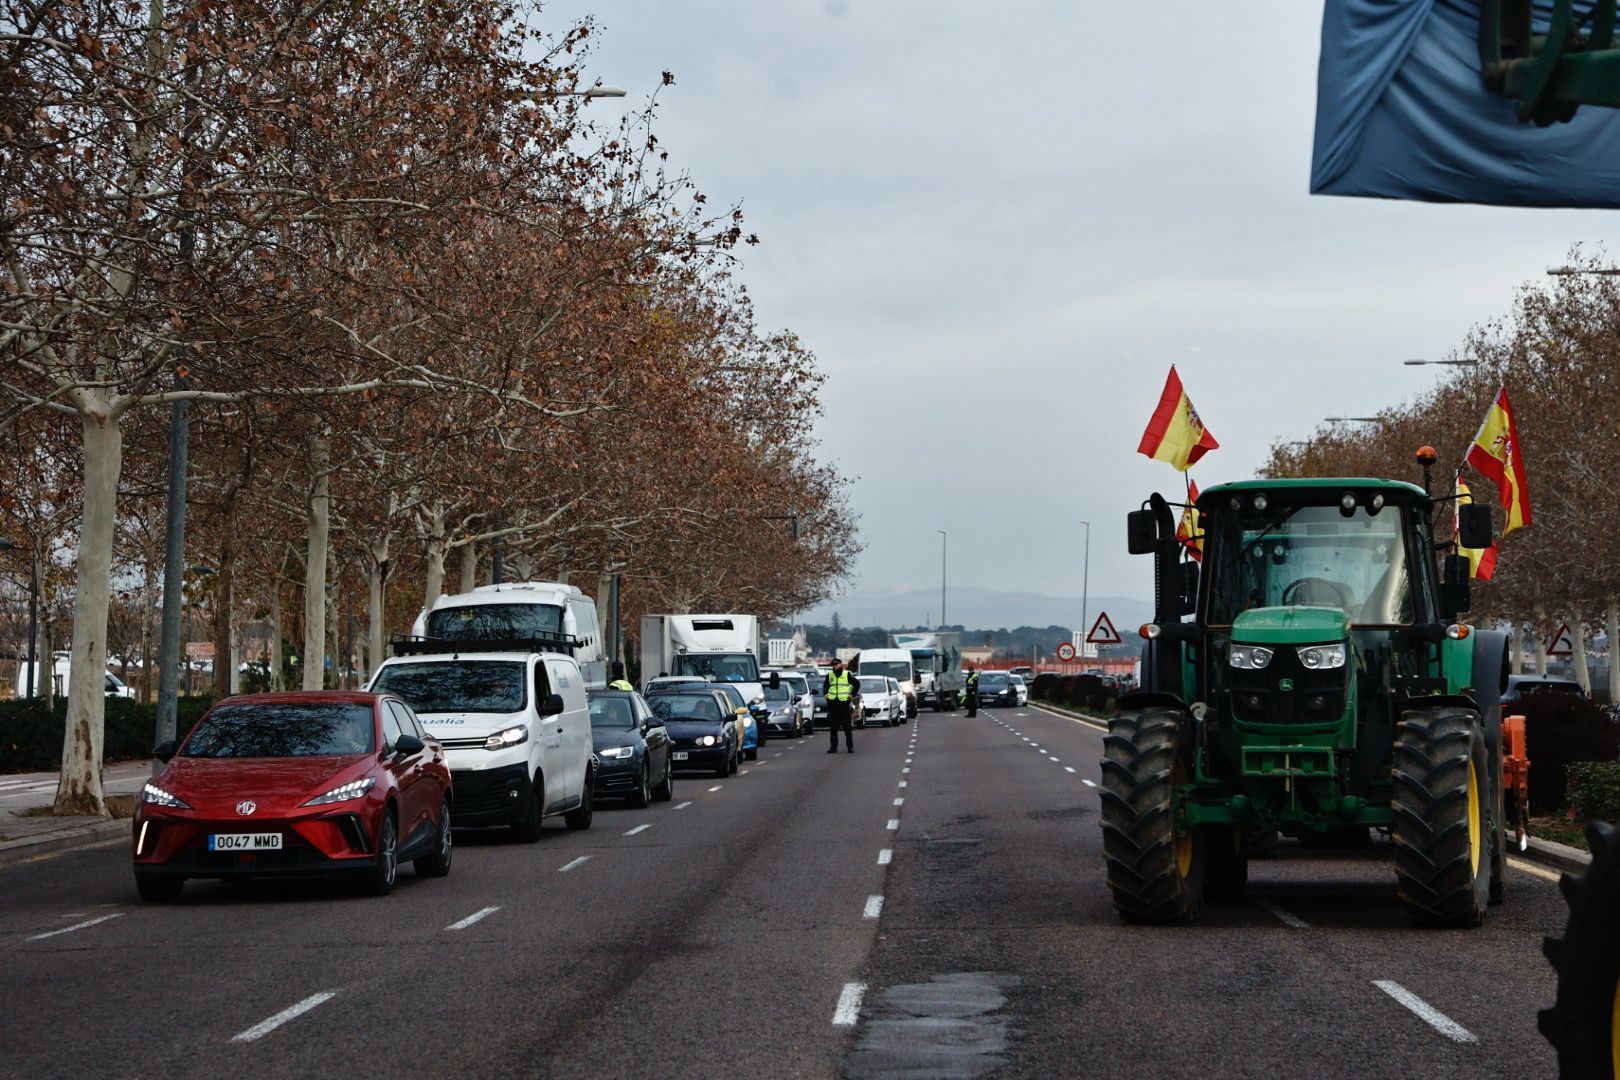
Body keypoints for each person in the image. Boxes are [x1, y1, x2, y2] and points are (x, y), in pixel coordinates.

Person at [825, 658, 858, 753]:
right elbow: (826, 686)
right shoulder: (830, 675)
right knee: (833, 728)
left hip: (844, 704)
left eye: (835, 665)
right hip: (833, 704)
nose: (833, 666)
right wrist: (825, 694)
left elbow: (856, 684)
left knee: (847, 727)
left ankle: (850, 747)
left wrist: (852, 694)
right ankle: (833, 747)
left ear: (840, 665)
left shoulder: (846, 674)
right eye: (832, 665)